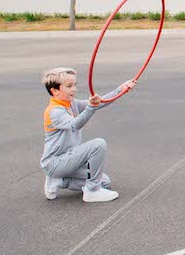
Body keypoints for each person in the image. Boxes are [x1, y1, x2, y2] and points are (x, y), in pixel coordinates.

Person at [40, 67, 135, 203]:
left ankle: (60, 181)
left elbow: (99, 103)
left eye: (74, 85)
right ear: (54, 91)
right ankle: (92, 192)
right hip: (55, 163)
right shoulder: (54, 111)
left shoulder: (71, 104)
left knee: (103, 181)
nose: (74, 89)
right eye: (69, 86)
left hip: (69, 161)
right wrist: (90, 106)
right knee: (98, 144)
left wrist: (122, 89)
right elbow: (74, 124)